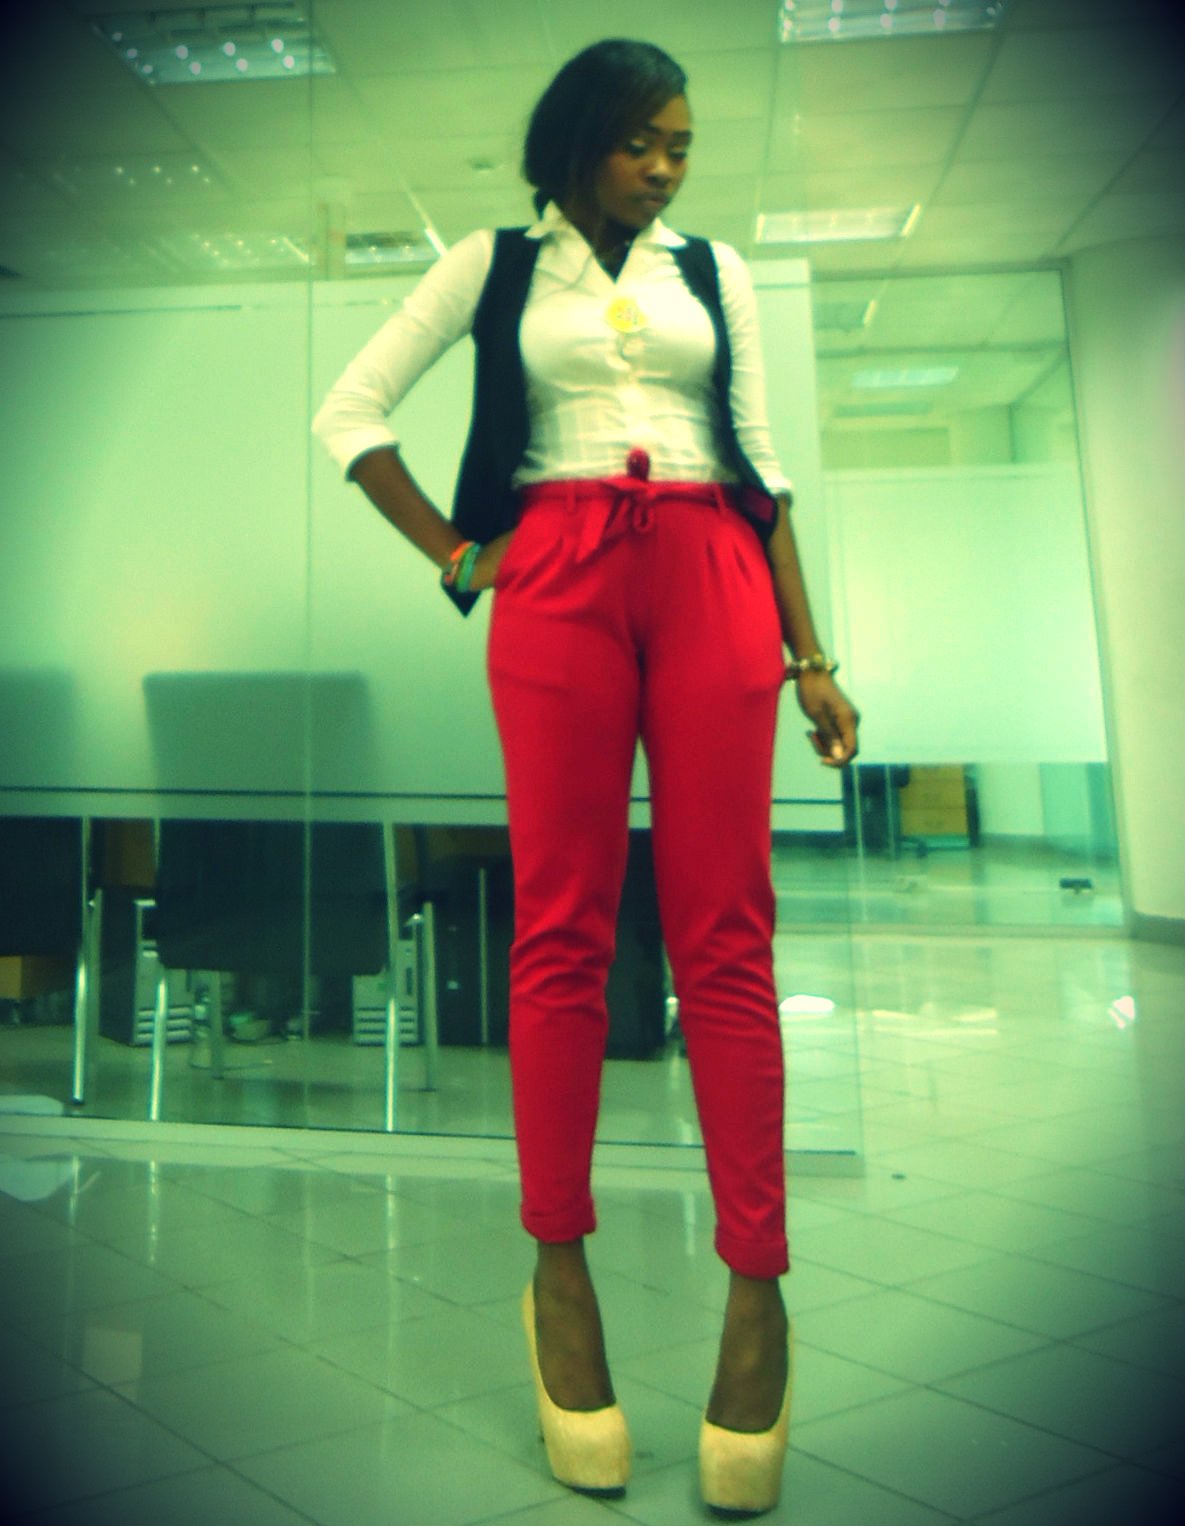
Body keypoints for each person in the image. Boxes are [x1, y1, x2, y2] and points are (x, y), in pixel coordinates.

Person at [313, 37, 859, 1515]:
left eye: (682, 145)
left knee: (726, 934)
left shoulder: (714, 273)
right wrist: (458, 555)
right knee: (560, 928)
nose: (667, 167)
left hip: (711, 570)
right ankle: (558, 1271)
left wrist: (811, 655)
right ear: (578, 142)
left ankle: (758, 1290)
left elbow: (760, 469)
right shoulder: (495, 265)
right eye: (642, 143)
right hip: (556, 569)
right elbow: (349, 413)